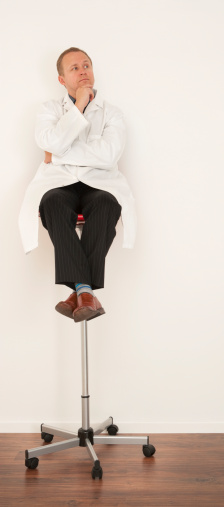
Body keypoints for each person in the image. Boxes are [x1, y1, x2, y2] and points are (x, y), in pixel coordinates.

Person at [18, 47, 136, 322]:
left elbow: (108, 157)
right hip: (60, 183)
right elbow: (53, 141)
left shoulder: (113, 114)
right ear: (62, 79)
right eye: (74, 68)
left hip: (100, 183)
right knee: (51, 202)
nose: (83, 71)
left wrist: (57, 153)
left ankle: (78, 293)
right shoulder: (48, 110)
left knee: (107, 203)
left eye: (86, 65)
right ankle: (86, 292)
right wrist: (79, 107)